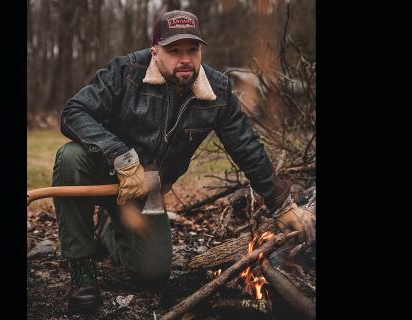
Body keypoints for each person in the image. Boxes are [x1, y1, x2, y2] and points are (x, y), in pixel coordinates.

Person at [51, 10, 315, 315]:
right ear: (155, 52)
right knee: (70, 157)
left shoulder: (217, 91)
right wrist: (122, 156)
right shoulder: (125, 72)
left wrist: (282, 204)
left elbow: (246, 146)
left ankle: (110, 227)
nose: (185, 59)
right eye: (174, 51)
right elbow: (74, 112)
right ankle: (82, 270)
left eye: (192, 49)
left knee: (152, 274)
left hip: (149, 190)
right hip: (103, 170)